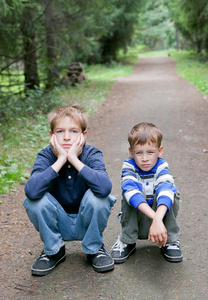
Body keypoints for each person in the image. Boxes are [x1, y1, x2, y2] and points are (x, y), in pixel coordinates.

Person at [23, 105, 116, 276]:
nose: (66, 137)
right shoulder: (45, 156)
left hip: (85, 222)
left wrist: (73, 159)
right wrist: (60, 160)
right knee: (34, 201)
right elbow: (31, 192)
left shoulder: (92, 154)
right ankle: (54, 250)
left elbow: (104, 188)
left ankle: (94, 248)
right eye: (60, 131)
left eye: (73, 131)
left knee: (100, 198)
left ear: (83, 135)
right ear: (51, 136)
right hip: (58, 221)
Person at [111, 122, 183, 263]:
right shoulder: (129, 166)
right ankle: (127, 240)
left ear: (160, 151)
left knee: (171, 192)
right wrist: (155, 219)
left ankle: (170, 240)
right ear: (131, 153)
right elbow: (131, 191)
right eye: (139, 153)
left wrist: (158, 220)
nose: (145, 158)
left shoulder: (162, 166)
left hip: (161, 220)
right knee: (130, 195)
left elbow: (166, 189)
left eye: (150, 152)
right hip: (138, 219)